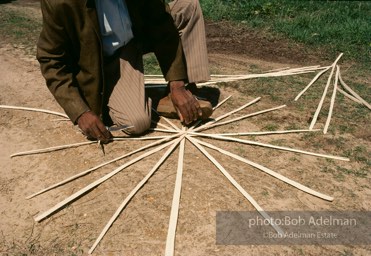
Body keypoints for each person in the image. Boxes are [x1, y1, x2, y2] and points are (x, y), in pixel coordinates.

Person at [37, 0, 212, 144]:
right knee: (136, 122)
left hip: (135, 38)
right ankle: (156, 98)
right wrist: (80, 112)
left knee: (188, 6)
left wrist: (177, 84)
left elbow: (161, 23)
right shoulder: (60, 3)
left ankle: (186, 91)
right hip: (103, 62)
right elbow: (51, 59)